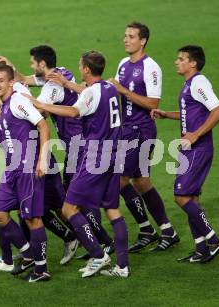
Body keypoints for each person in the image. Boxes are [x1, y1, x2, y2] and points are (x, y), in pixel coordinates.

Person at [29, 51, 130, 278]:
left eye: (80, 65)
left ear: (85, 69)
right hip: (115, 153)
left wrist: (40, 104)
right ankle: (122, 267)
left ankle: (98, 255)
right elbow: (89, 93)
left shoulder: (90, 93)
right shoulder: (109, 88)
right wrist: (66, 84)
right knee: (113, 210)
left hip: (96, 156)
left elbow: (73, 111)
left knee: (68, 208)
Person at [151, 45, 219, 263]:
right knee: (192, 198)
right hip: (190, 149)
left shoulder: (199, 82)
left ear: (193, 63)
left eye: (181, 59)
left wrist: (195, 135)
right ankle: (201, 249)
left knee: (181, 196)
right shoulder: (189, 85)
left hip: (198, 149)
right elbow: (191, 113)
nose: (176, 62)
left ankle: (213, 240)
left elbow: (218, 111)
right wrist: (167, 115)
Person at [109, 22, 179, 252]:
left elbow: (153, 103)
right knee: (141, 181)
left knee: (118, 179)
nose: (125, 39)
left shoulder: (151, 68)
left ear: (143, 41)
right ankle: (165, 230)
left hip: (141, 131)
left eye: (131, 36)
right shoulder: (122, 63)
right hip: (125, 131)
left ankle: (147, 228)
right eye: (125, 35)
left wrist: (124, 91)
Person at [0, 63, 51, 282]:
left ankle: (41, 269)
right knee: (0, 215)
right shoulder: (5, 104)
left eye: (0, 80)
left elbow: (42, 124)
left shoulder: (18, 100)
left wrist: (43, 159)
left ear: (11, 82)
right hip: (12, 170)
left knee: (33, 220)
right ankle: (29, 254)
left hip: (27, 168)